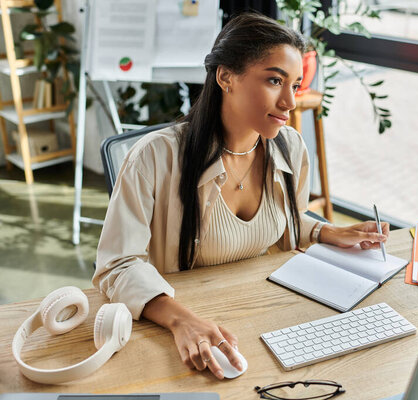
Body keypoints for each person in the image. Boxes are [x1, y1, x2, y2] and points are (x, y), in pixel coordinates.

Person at [93, 13, 390, 380]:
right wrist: (182, 321)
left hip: (257, 316)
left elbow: (282, 222)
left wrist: (321, 231)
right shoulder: (155, 157)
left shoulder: (291, 148)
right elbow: (116, 265)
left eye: (295, 85)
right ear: (225, 77)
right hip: (179, 327)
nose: (289, 102)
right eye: (274, 80)